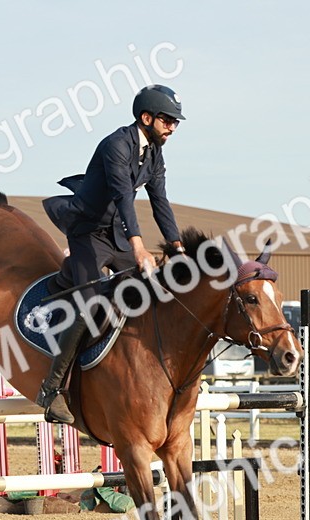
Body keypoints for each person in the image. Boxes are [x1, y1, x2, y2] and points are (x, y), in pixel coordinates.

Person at [38, 84, 186, 425]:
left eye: (176, 122)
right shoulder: (116, 145)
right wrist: (137, 245)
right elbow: (122, 195)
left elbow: (160, 201)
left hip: (116, 232)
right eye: (167, 120)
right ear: (145, 117)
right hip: (87, 230)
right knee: (91, 306)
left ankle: (66, 276)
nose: (172, 127)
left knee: (149, 291)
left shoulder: (154, 153)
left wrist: (177, 248)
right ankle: (53, 390)